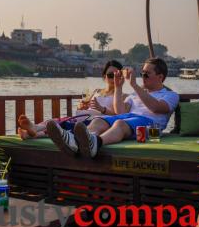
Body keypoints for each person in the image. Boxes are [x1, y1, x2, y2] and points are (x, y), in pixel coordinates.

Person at [49, 58, 179, 159]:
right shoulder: (135, 95)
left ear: (160, 77)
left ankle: (97, 143)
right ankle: (74, 141)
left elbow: (156, 108)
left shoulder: (170, 95)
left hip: (150, 127)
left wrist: (134, 85)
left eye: (147, 74)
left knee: (120, 123)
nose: (143, 77)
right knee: (99, 120)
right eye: (142, 73)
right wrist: (118, 87)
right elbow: (120, 112)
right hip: (130, 122)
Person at [17, 60, 125, 139]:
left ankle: (32, 134)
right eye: (110, 75)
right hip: (80, 116)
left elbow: (119, 116)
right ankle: (35, 127)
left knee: (64, 128)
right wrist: (82, 106)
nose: (114, 78)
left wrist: (102, 109)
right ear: (104, 76)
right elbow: (86, 105)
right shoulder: (97, 91)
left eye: (117, 75)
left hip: (96, 122)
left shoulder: (122, 96)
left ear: (121, 77)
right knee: (56, 120)